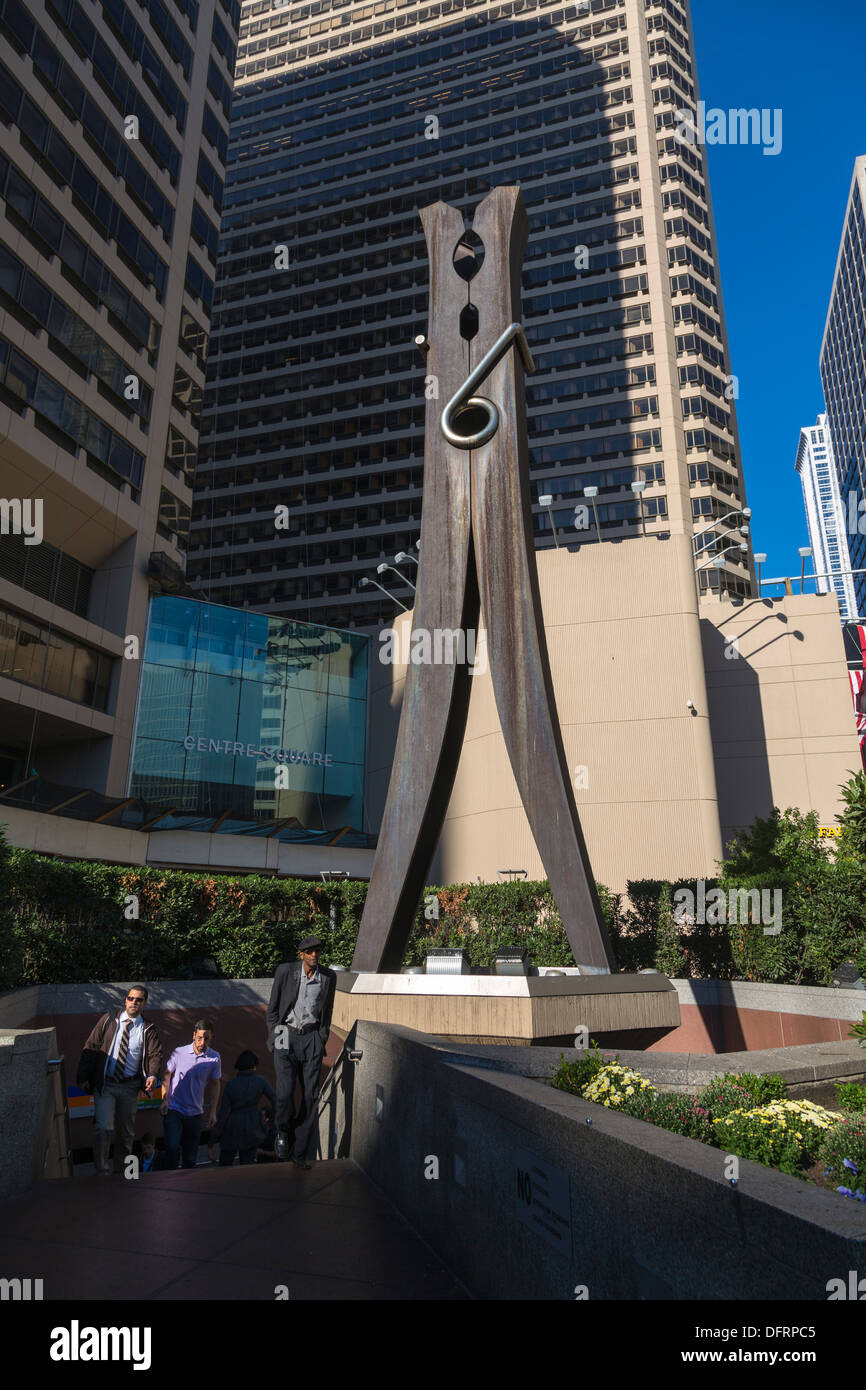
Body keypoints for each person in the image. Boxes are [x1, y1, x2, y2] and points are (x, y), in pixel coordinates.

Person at [76, 985, 163, 1177]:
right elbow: (90, 1046)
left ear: (144, 1003)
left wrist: (152, 1075)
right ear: (125, 1000)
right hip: (106, 1085)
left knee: (126, 1134)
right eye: (130, 998)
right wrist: (82, 1077)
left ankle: (125, 1173)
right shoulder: (109, 1019)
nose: (133, 1002)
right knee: (103, 1128)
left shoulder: (147, 1028)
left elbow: (155, 1054)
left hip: (130, 1087)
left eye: (138, 1000)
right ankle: (102, 1172)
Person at [266, 936, 336, 1169]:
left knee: (310, 1096)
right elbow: (273, 1008)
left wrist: (321, 1037)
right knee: (285, 1093)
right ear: (301, 955)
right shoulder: (286, 972)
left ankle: (300, 1150)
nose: (314, 955)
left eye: (317, 951)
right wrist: (276, 1037)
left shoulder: (328, 977)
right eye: (309, 951)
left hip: (311, 1037)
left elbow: (328, 1009)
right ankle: (283, 1133)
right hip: (286, 1033)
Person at [161, 1021, 221, 1169]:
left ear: (211, 1038)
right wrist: (164, 1099)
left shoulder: (214, 1057)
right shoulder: (179, 1052)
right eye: (199, 1038)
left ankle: (188, 1186)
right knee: (173, 1147)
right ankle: (170, 1179)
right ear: (194, 1035)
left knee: (190, 1156)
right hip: (175, 1108)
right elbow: (167, 1074)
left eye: (206, 1038)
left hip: (195, 1112)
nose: (202, 1042)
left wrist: (213, 1111)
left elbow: (215, 1084)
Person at [209, 1050, 277, 1167]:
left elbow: (223, 1114)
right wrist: (271, 1123)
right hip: (252, 1128)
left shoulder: (231, 1085)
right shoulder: (261, 1081)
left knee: (224, 1167)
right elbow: (275, 1101)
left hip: (231, 1129)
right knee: (247, 1167)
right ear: (254, 1066)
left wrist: (211, 1142)